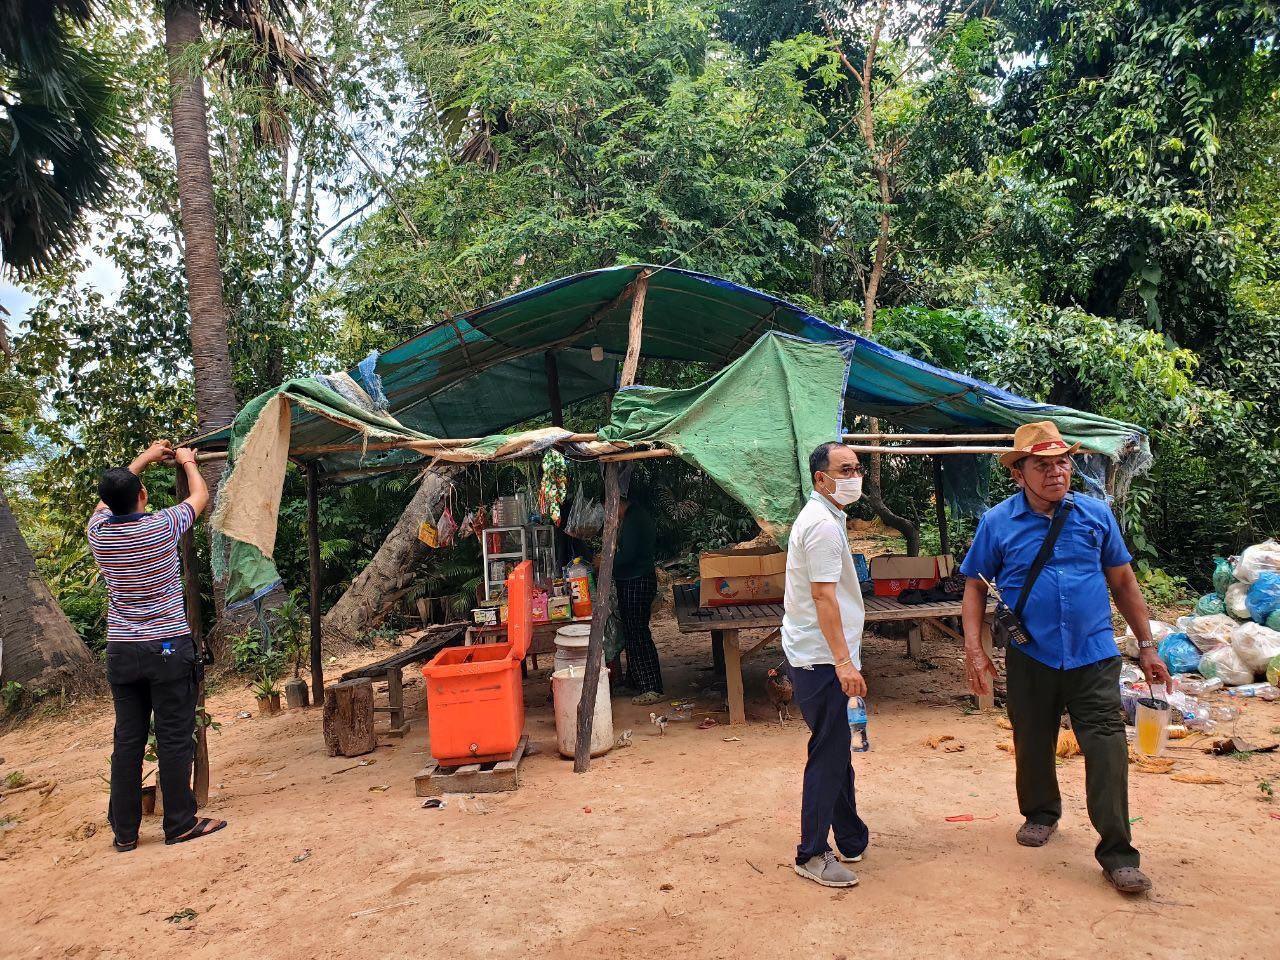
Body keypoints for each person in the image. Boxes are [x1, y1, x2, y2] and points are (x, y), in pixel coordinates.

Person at [960, 421, 1170, 895]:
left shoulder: (1096, 515)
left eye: (1062, 462)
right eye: (1042, 464)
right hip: (1030, 654)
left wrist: (1147, 645)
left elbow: (1123, 583)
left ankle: (1118, 853)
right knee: (1032, 739)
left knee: (1108, 748)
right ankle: (1040, 812)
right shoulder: (997, 522)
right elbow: (974, 586)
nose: (1056, 472)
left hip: (1094, 655)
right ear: (1020, 474)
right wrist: (974, 650)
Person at [88, 440, 227, 851]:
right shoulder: (161, 525)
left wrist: (144, 458)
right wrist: (186, 461)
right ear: (143, 496)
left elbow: (108, 503)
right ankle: (179, 823)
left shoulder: (99, 534)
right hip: (167, 646)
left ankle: (125, 833)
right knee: (173, 735)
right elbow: (201, 495)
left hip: (123, 651)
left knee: (127, 739)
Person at [781, 441, 869, 888]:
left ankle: (851, 834)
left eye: (857, 467)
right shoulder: (821, 526)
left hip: (819, 652)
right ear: (821, 478)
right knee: (830, 751)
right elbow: (822, 596)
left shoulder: (828, 518)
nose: (855, 476)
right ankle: (812, 852)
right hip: (821, 658)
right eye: (845, 469)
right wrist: (843, 663)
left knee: (835, 747)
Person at [613, 493, 664, 705]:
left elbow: (627, 556)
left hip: (637, 580)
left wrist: (606, 563)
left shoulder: (634, 520)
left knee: (638, 634)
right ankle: (636, 679)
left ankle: (651, 687)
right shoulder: (634, 516)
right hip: (636, 579)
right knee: (633, 632)